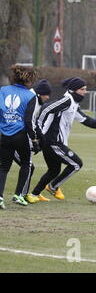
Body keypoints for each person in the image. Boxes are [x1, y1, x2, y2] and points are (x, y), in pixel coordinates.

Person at [29, 77, 96, 201]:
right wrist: (39, 132)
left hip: (53, 143)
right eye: (82, 89)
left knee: (54, 171)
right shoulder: (66, 100)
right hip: (53, 143)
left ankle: (34, 194)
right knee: (76, 164)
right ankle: (53, 187)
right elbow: (47, 108)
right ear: (73, 90)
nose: (85, 92)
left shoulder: (74, 104)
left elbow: (85, 120)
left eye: (85, 89)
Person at [0, 65, 40, 208]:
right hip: (21, 136)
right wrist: (35, 140)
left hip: (4, 135)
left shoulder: (3, 90)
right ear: (29, 80)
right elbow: (29, 121)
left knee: (3, 167)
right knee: (26, 164)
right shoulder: (31, 96)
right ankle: (19, 195)